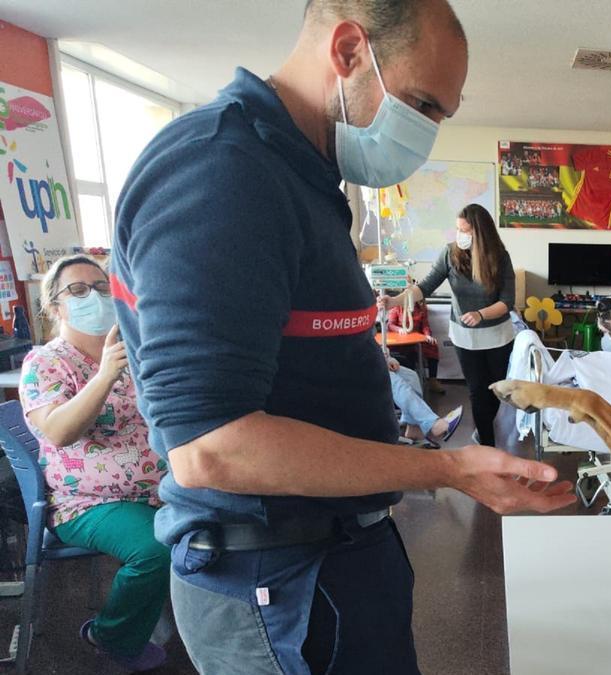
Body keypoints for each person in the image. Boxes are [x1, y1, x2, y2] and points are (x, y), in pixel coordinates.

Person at [110, 2, 575, 672]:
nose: (427, 131)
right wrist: (446, 468)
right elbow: (212, 449)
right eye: (421, 103)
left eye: (441, 113)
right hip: (274, 577)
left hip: (337, 552)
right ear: (350, 51)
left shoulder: (302, 174)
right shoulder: (222, 173)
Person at [19, 256, 169, 671]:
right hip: (86, 502)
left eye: (102, 288)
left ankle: (193, 619)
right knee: (156, 550)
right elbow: (58, 430)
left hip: (158, 488)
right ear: (54, 307)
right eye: (78, 290)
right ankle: (110, 634)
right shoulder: (46, 363)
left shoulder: (132, 353)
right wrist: (103, 376)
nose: (95, 298)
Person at [391, 204, 516, 448]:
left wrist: (481, 314)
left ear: (480, 233)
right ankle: (487, 446)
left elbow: (507, 302)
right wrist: (395, 300)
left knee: (497, 390)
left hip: (497, 335)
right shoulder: (450, 254)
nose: (460, 235)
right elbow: (425, 287)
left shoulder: (500, 257)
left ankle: (485, 432)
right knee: (478, 390)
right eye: (458, 229)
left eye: (465, 230)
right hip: (464, 336)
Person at [388, 298, 443, 393]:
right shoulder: (397, 307)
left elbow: (425, 325)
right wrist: (399, 329)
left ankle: (433, 380)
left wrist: (428, 335)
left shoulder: (421, 308)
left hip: (416, 337)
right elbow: (390, 324)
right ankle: (409, 383)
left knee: (432, 346)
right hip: (400, 337)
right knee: (408, 352)